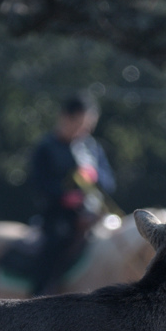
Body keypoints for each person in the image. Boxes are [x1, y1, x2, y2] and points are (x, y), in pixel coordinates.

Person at [26, 93, 117, 293]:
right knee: (55, 244)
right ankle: (40, 295)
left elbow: (109, 183)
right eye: (80, 124)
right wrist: (64, 197)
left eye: (89, 125)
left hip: (93, 214)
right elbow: (38, 184)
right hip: (60, 216)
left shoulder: (92, 148)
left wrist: (94, 176)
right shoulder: (46, 148)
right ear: (65, 118)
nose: (84, 130)